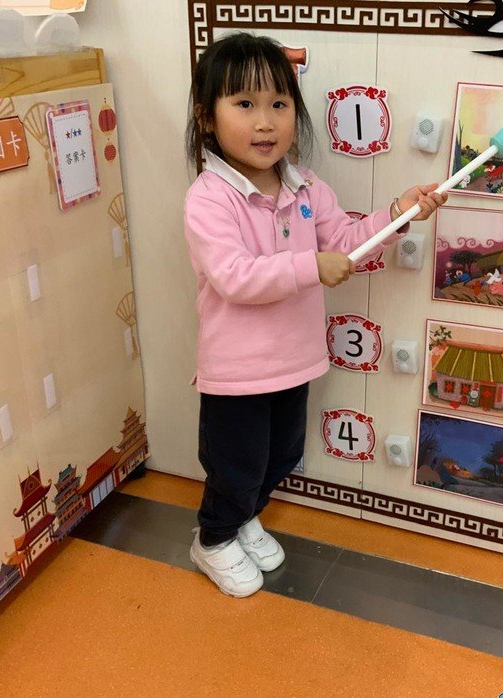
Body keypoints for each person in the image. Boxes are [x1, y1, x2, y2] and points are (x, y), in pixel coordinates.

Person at [183, 33, 446, 597]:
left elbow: (348, 243)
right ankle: (214, 538)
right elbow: (234, 276)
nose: (265, 122)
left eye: (278, 104)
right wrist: (309, 266)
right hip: (237, 374)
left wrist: (399, 212)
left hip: (296, 362)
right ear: (207, 118)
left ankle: (244, 518)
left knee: (280, 456)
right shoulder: (209, 197)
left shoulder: (307, 187)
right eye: (245, 104)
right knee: (235, 465)